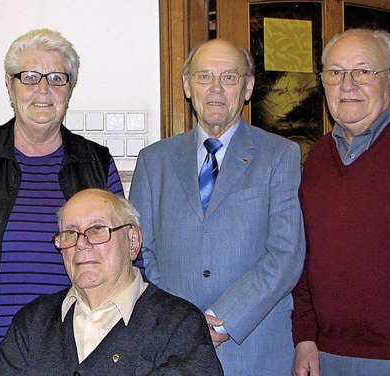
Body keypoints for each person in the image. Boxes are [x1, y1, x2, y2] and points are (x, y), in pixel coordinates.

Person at [0, 28, 124, 375]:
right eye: (29, 77)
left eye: (57, 78)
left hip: (78, 359)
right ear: (9, 85)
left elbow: (127, 258)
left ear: (69, 90)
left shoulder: (96, 164)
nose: (43, 90)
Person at [129, 39, 305, 374]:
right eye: (204, 76)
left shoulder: (281, 155)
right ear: (186, 85)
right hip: (171, 347)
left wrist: (225, 320)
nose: (216, 89)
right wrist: (182, 321)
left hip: (255, 346)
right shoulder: (154, 161)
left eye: (229, 77)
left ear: (248, 86)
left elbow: (286, 253)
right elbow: (139, 251)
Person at [0, 188, 223, 375]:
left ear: (133, 241)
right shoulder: (33, 322)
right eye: (70, 233)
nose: (81, 244)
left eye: (97, 229)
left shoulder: (179, 324)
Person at [292, 28, 390, 376]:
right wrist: (305, 336)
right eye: (335, 72)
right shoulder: (316, 158)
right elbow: (304, 254)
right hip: (327, 355)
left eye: (363, 70)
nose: (348, 84)